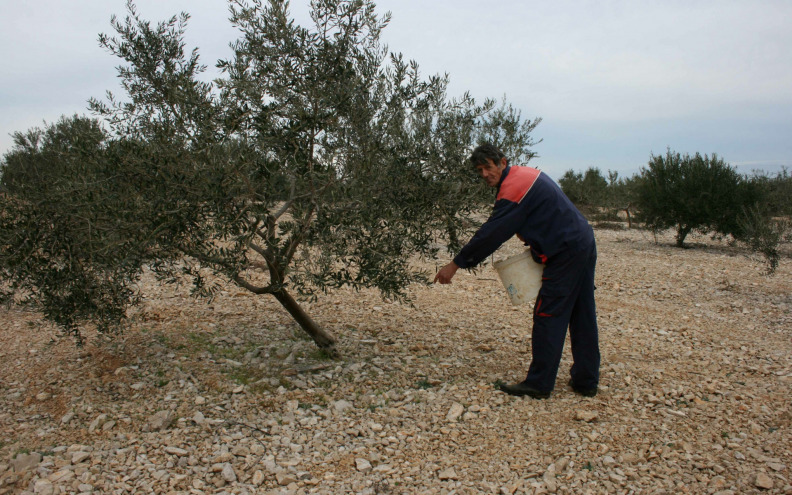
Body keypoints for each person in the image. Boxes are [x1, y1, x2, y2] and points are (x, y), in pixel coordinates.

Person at [434, 143, 600, 399]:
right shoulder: (524, 175)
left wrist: (456, 264)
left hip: (566, 251)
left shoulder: (514, 187)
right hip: (582, 242)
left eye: (488, 167)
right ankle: (586, 381)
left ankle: (539, 384)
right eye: (479, 170)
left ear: (502, 162)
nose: (485, 174)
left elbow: (492, 233)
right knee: (582, 312)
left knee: (548, 313)